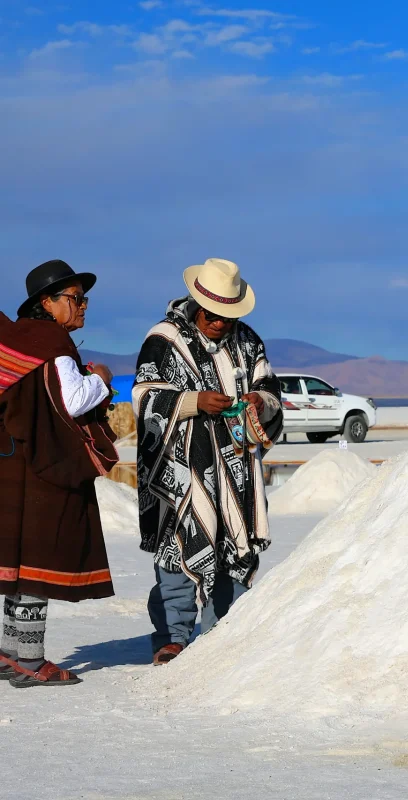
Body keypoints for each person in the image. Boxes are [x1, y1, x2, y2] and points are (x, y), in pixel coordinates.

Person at [133, 258, 283, 665]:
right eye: (213, 315)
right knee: (180, 545)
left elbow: (269, 387)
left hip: (235, 467)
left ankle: (225, 633)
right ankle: (172, 635)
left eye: (227, 316)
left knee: (232, 546)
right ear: (196, 304)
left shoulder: (248, 341)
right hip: (180, 468)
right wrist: (192, 402)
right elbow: (145, 398)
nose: (220, 323)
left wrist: (260, 401)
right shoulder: (164, 340)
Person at [0, 260, 118, 687]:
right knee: (38, 561)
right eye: (75, 298)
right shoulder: (50, 341)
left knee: (16, 560)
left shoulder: (15, 341)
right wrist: (101, 380)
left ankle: (9, 653)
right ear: (46, 303)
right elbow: (71, 400)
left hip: (11, 461)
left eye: (83, 298)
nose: (83, 306)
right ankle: (30, 662)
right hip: (43, 468)